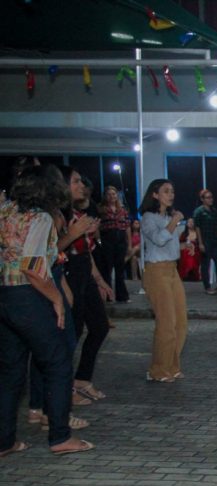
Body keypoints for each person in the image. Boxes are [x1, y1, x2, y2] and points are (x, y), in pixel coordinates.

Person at [1, 165, 93, 456]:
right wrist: (56, 299)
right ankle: (60, 437)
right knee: (58, 363)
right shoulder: (40, 218)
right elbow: (32, 267)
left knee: (11, 370)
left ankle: (4, 441)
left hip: (4, 295)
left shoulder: (5, 211)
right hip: (29, 296)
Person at [57, 167, 113, 403]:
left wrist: (100, 280)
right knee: (72, 333)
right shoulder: (55, 215)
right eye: (76, 181)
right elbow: (48, 252)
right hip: (67, 276)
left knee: (100, 326)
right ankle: (63, 389)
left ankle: (81, 379)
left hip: (84, 273)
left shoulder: (76, 215)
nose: (82, 186)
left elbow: (85, 253)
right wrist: (74, 234)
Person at [139, 179, 188, 383]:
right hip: (156, 271)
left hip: (172, 269)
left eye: (172, 191)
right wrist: (175, 221)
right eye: (166, 191)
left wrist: (185, 246)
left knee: (180, 321)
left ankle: (172, 366)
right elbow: (158, 239)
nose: (171, 195)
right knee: (166, 322)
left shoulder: (168, 217)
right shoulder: (148, 218)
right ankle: (158, 370)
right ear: (155, 195)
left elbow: (169, 245)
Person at [96, 185, 132, 302]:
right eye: (109, 194)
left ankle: (122, 296)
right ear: (105, 196)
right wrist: (99, 241)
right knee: (107, 269)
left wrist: (129, 244)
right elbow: (97, 226)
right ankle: (108, 295)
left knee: (120, 269)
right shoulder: (101, 210)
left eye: (114, 194)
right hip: (107, 240)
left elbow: (127, 227)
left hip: (120, 240)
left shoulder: (123, 210)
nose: (112, 196)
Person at [193, 189, 217, 294]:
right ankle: (207, 287)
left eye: (211, 197)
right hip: (205, 241)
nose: (211, 199)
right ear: (202, 199)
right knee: (205, 264)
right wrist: (200, 243)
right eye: (208, 198)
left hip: (215, 241)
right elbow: (197, 228)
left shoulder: (214, 211)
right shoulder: (199, 212)